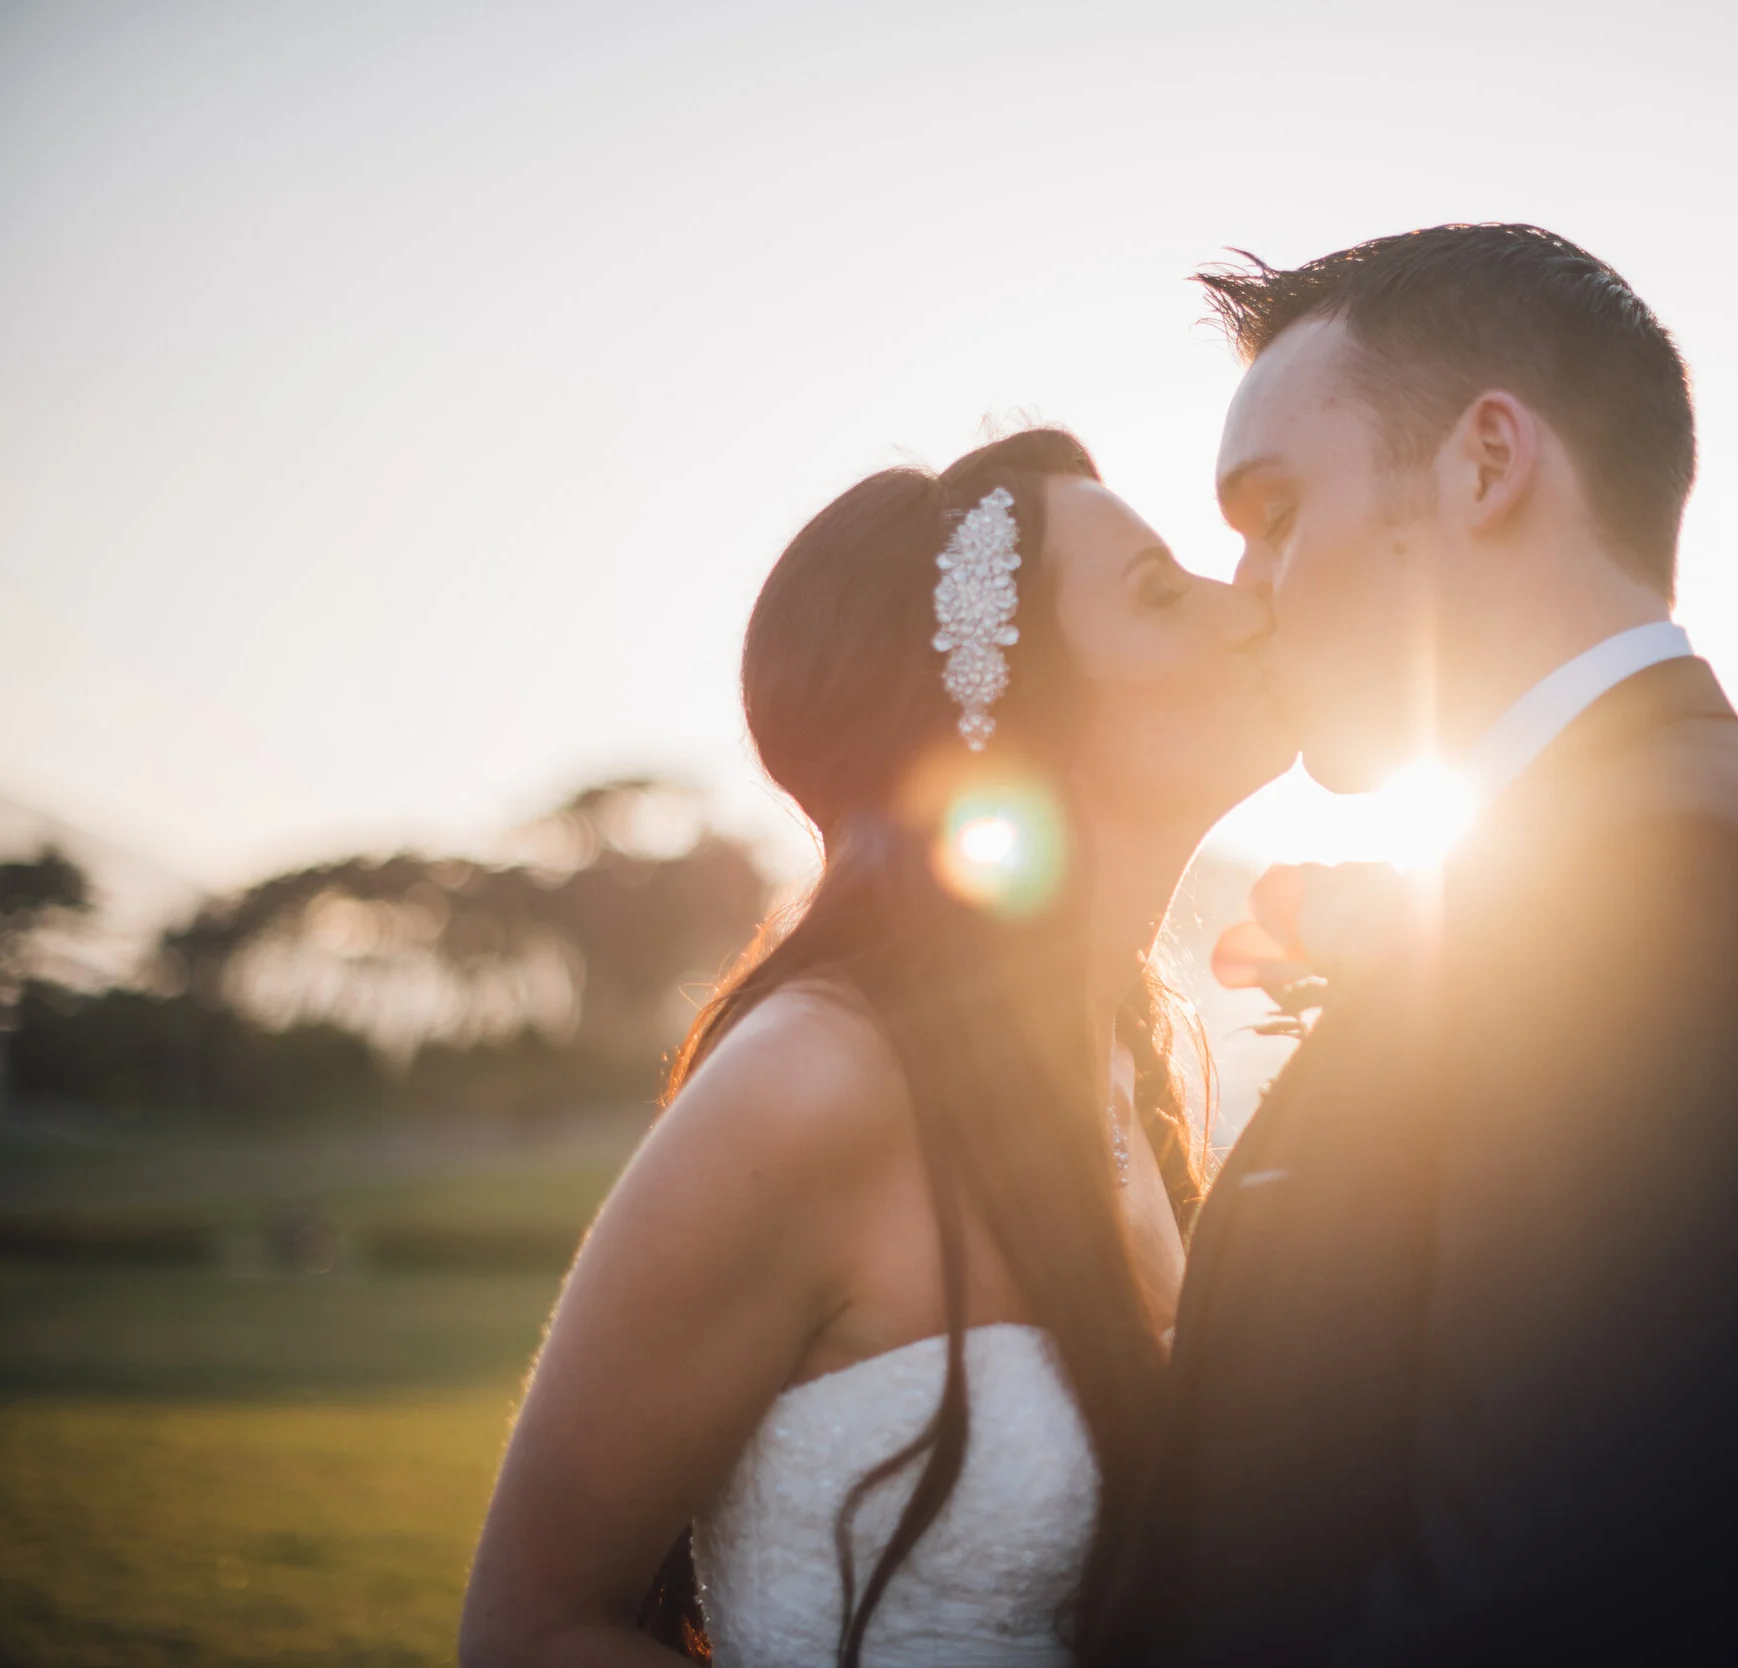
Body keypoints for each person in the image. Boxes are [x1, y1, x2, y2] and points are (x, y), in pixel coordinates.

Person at [1103, 226, 1738, 1666]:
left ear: (1488, 463)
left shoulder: (1681, 891)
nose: (1244, 591)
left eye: (1276, 509)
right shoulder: (1597, 861)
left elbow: (1541, 1611)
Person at [459, 428, 1291, 1667]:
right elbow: (529, 1633)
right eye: (1162, 592)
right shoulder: (815, 1083)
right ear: (1013, 717)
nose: (1248, 605)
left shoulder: (1127, 1067)